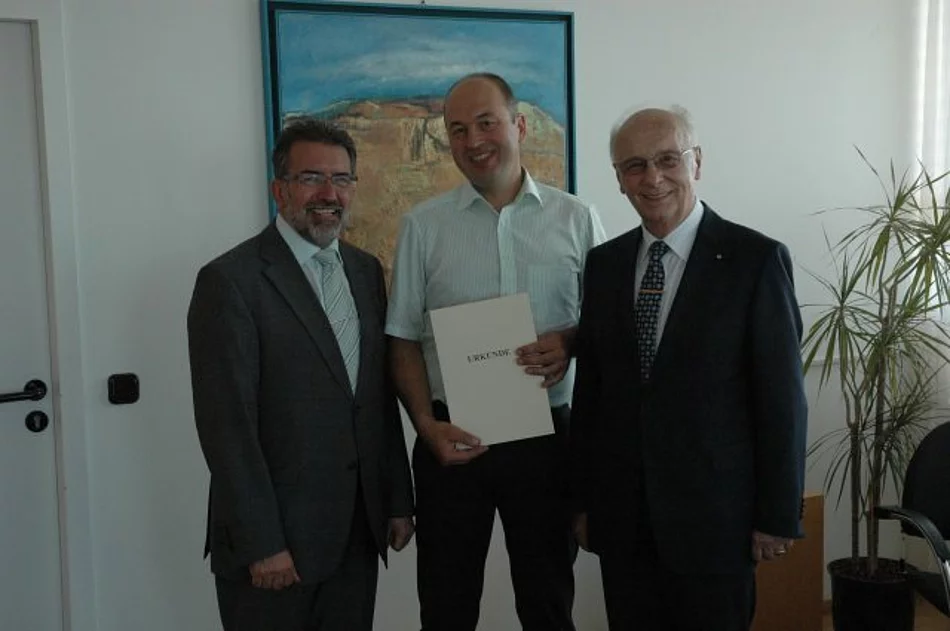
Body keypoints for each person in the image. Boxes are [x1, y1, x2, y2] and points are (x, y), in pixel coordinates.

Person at [569, 106, 807, 631]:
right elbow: (593, 394)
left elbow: (782, 401)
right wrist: (584, 502)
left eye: (667, 159)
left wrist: (777, 515)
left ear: (696, 162)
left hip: (717, 524)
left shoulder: (755, 260)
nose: (652, 178)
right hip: (624, 522)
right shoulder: (605, 265)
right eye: (635, 165)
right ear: (619, 179)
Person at [386, 72, 605, 631]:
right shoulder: (423, 226)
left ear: (519, 125)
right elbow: (402, 338)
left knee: (548, 603)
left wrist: (570, 341)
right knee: (446, 607)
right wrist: (425, 427)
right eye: (458, 129)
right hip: (450, 440)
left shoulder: (577, 219)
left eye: (487, 123)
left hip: (548, 442)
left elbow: (608, 330)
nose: (474, 140)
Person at [187, 117, 414, 631]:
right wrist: (262, 543)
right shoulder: (230, 281)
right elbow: (227, 427)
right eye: (311, 178)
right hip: (275, 546)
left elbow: (375, 398)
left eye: (342, 179)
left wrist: (397, 500)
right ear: (280, 190)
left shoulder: (365, 271)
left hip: (356, 532)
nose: (329, 194)